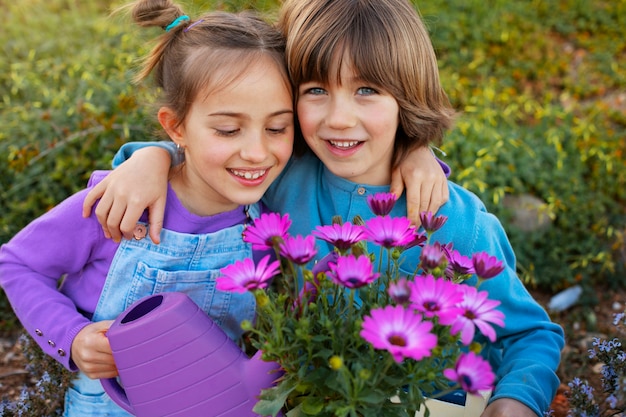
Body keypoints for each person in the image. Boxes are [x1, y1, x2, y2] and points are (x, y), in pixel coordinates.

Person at [83, 0, 565, 416]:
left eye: (367, 90)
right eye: (315, 90)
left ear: (407, 96)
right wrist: (152, 157)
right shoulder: (283, 178)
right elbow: (213, 162)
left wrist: (517, 400)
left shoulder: (453, 219)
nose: (339, 118)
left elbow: (529, 334)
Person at [0, 1, 296, 416]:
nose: (256, 151)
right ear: (176, 127)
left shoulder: (269, 219)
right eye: (228, 129)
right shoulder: (121, 202)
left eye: (278, 128)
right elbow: (17, 264)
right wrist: (72, 338)